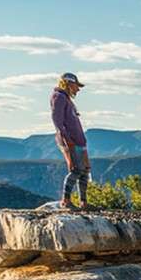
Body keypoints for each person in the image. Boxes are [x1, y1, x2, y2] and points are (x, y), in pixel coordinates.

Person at [50, 73, 90, 210]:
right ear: (67, 83)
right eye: (76, 86)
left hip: (78, 141)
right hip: (71, 141)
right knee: (76, 170)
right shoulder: (59, 97)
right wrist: (67, 140)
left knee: (84, 170)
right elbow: (57, 121)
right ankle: (66, 201)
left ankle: (83, 203)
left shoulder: (66, 98)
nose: (77, 89)